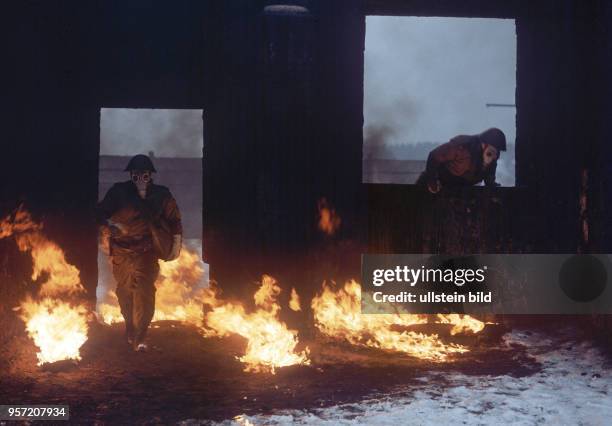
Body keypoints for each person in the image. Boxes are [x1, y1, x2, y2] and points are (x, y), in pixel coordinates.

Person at [97, 154, 182, 351]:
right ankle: (130, 328)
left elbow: (174, 221)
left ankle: (141, 335)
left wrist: (174, 247)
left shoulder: (161, 195)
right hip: (122, 251)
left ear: (151, 175)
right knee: (125, 291)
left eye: (144, 174)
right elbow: (100, 213)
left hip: (146, 251)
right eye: (136, 173)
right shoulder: (119, 192)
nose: (140, 177)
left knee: (144, 291)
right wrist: (109, 226)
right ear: (131, 174)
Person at [416, 128, 507, 193]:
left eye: (496, 152)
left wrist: (491, 185)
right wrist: (432, 182)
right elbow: (434, 156)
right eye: (492, 151)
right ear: (483, 145)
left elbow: (489, 177)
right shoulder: (462, 148)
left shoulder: (492, 158)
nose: (494, 156)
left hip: (460, 191)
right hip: (436, 186)